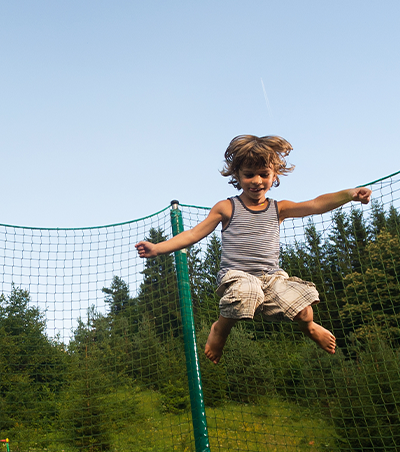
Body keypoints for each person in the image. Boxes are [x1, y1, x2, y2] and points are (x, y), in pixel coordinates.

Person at [135, 134, 371, 363]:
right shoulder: (227, 208)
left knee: (304, 309)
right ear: (237, 175)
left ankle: (309, 328)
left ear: (274, 175)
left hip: (271, 278)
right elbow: (193, 234)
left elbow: (315, 204)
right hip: (236, 277)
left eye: (263, 174)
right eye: (249, 175)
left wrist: (350, 194)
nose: (257, 180)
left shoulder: (279, 208)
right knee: (248, 291)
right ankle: (220, 329)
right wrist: (158, 248)